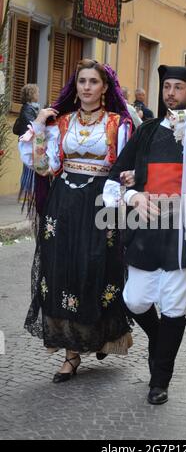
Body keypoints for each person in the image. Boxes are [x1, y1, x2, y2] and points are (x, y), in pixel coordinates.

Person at [18, 59, 134, 383]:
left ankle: (99, 334)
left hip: (100, 201)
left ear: (105, 88)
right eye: (81, 81)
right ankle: (71, 355)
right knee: (61, 269)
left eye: (93, 82)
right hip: (64, 202)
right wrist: (40, 124)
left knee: (95, 267)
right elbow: (44, 166)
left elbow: (124, 169)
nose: (86, 87)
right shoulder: (63, 123)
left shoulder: (118, 123)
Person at [104, 65, 186, 405]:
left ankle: (159, 380)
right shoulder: (146, 131)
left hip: (185, 231)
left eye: (178, 87)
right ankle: (160, 337)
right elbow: (113, 179)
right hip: (146, 231)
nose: (170, 93)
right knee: (134, 299)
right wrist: (133, 196)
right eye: (166, 87)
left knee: (175, 307)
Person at [13, 84, 50, 221]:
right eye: (37, 91)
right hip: (28, 144)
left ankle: (27, 192)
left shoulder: (32, 108)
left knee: (29, 170)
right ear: (31, 94)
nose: (38, 94)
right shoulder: (28, 109)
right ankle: (26, 193)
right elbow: (32, 125)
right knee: (28, 169)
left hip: (32, 143)